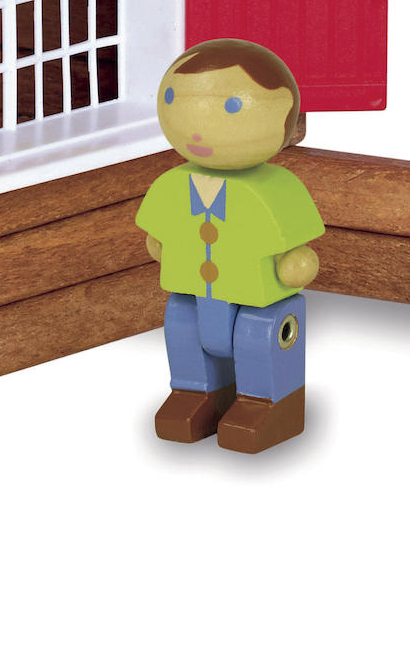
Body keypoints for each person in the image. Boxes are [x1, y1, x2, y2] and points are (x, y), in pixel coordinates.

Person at [135, 38, 323, 453]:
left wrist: (295, 259)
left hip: (257, 296)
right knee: (181, 325)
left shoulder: (273, 189)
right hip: (192, 292)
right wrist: (161, 244)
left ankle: (268, 401)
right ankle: (194, 392)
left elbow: (299, 247)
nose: (198, 127)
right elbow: (158, 234)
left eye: (232, 106)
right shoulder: (172, 185)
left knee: (260, 335)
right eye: (173, 99)